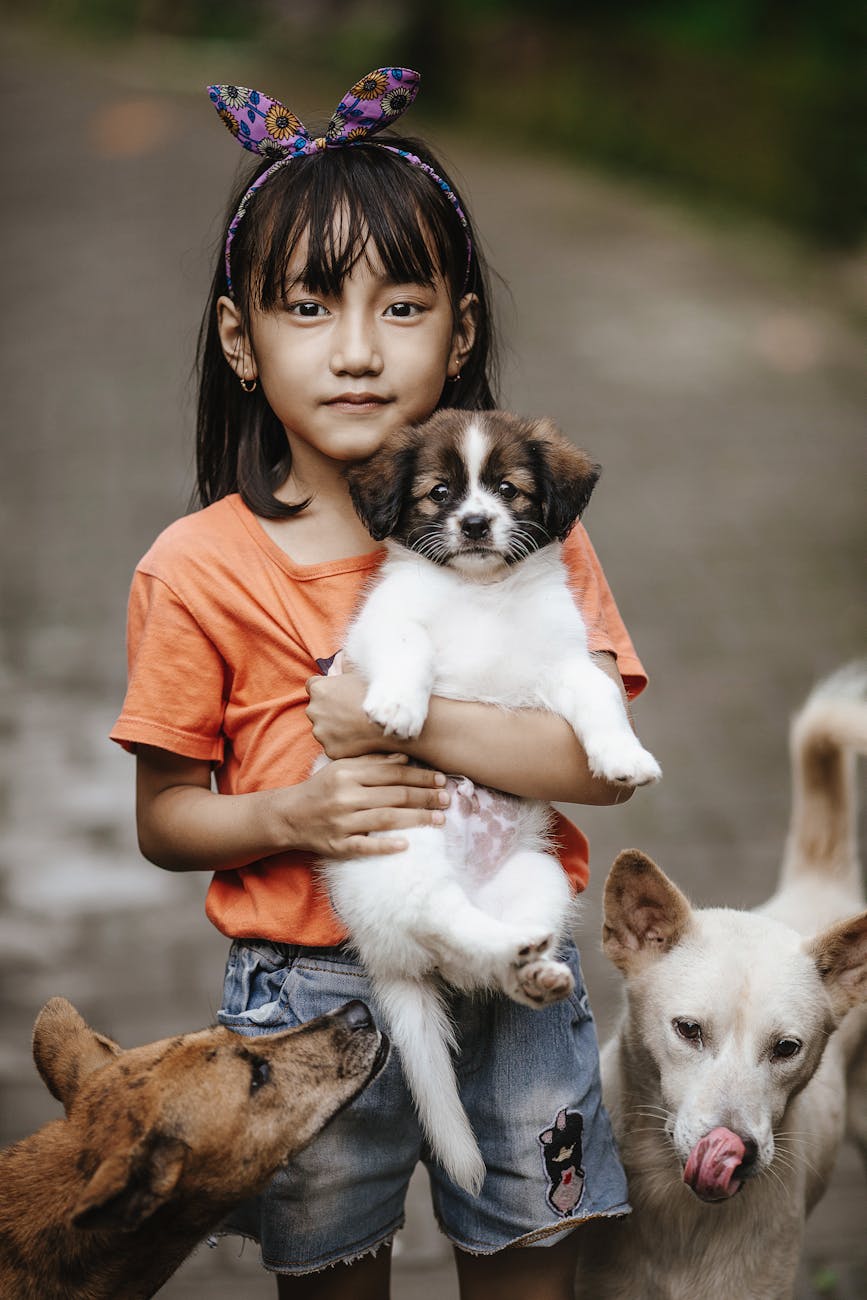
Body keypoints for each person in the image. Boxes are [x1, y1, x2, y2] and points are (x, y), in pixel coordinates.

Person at [111, 67, 650, 1300]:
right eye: (309, 306)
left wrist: (417, 723)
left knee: (531, 1268)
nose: (356, 349)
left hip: (521, 968)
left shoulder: (522, 533)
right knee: (331, 1281)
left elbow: (595, 765)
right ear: (243, 341)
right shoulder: (195, 568)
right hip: (305, 1001)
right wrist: (284, 816)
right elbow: (164, 818)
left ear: (460, 334)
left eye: (401, 306)